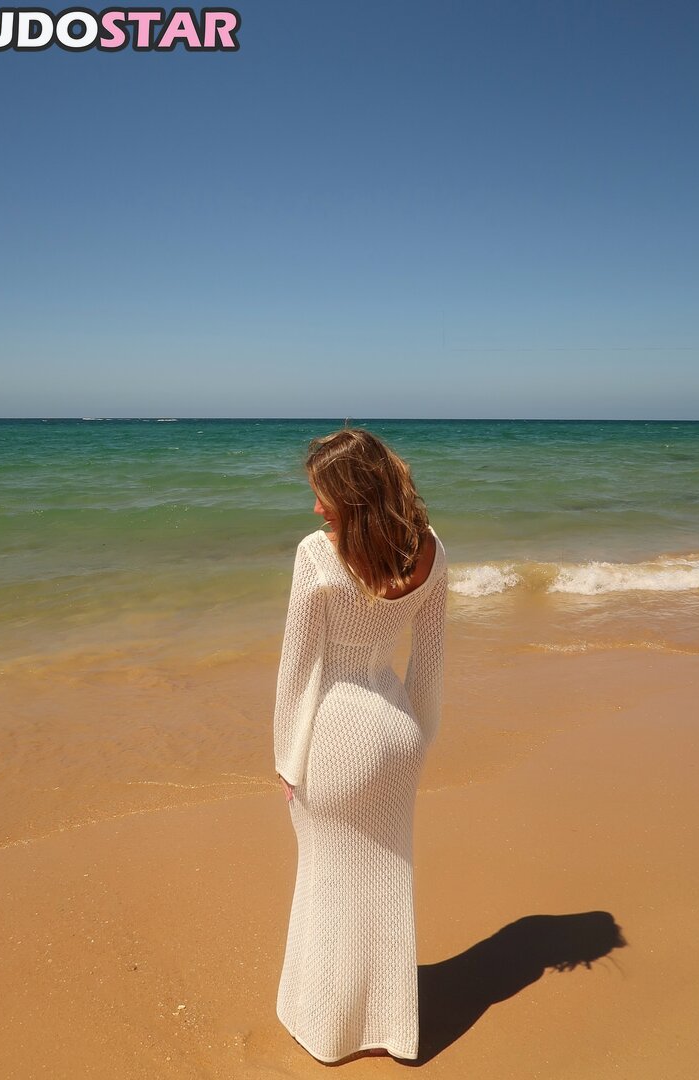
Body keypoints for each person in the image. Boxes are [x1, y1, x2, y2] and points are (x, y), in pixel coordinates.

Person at [273, 427, 448, 1063]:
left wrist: (286, 757)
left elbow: (298, 667)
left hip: (337, 736)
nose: (316, 506)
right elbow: (428, 660)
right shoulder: (429, 551)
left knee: (327, 882)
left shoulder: (316, 556)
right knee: (387, 880)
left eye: (324, 494)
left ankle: (330, 1029)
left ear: (351, 492)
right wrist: (419, 736)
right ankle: (391, 1025)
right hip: (398, 729)